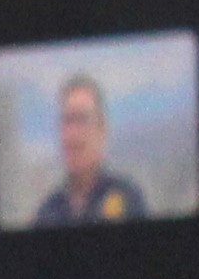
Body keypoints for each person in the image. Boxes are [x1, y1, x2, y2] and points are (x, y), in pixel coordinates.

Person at [31, 74, 149, 226]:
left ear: (102, 129)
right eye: (67, 121)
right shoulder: (48, 213)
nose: (72, 134)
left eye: (81, 119)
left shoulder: (127, 200)